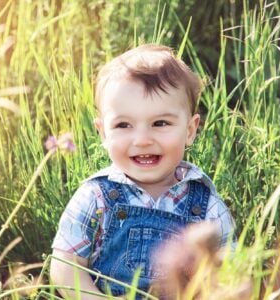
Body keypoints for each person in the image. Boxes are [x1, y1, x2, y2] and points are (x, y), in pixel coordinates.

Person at [49, 44, 236, 299]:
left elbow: (227, 276)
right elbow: (65, 267)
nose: (143, 139)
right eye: (124, 125)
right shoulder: (96, 197)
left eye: (160, 123)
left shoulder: (208, 208)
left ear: (190, 131)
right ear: (103, 132)